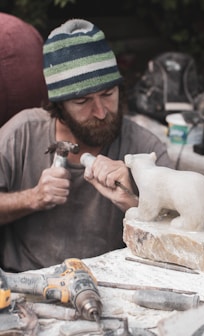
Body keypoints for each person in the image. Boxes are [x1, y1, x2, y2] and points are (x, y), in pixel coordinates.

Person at [0, 18, 173, 272]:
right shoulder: (22, 133)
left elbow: (178, 238)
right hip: (23, 285)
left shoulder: (145, 149)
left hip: (109, 287)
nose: (102, 112)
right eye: (82, 101)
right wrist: (33, 198)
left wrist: (134, 205)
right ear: (58, 105)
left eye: (108, 94)